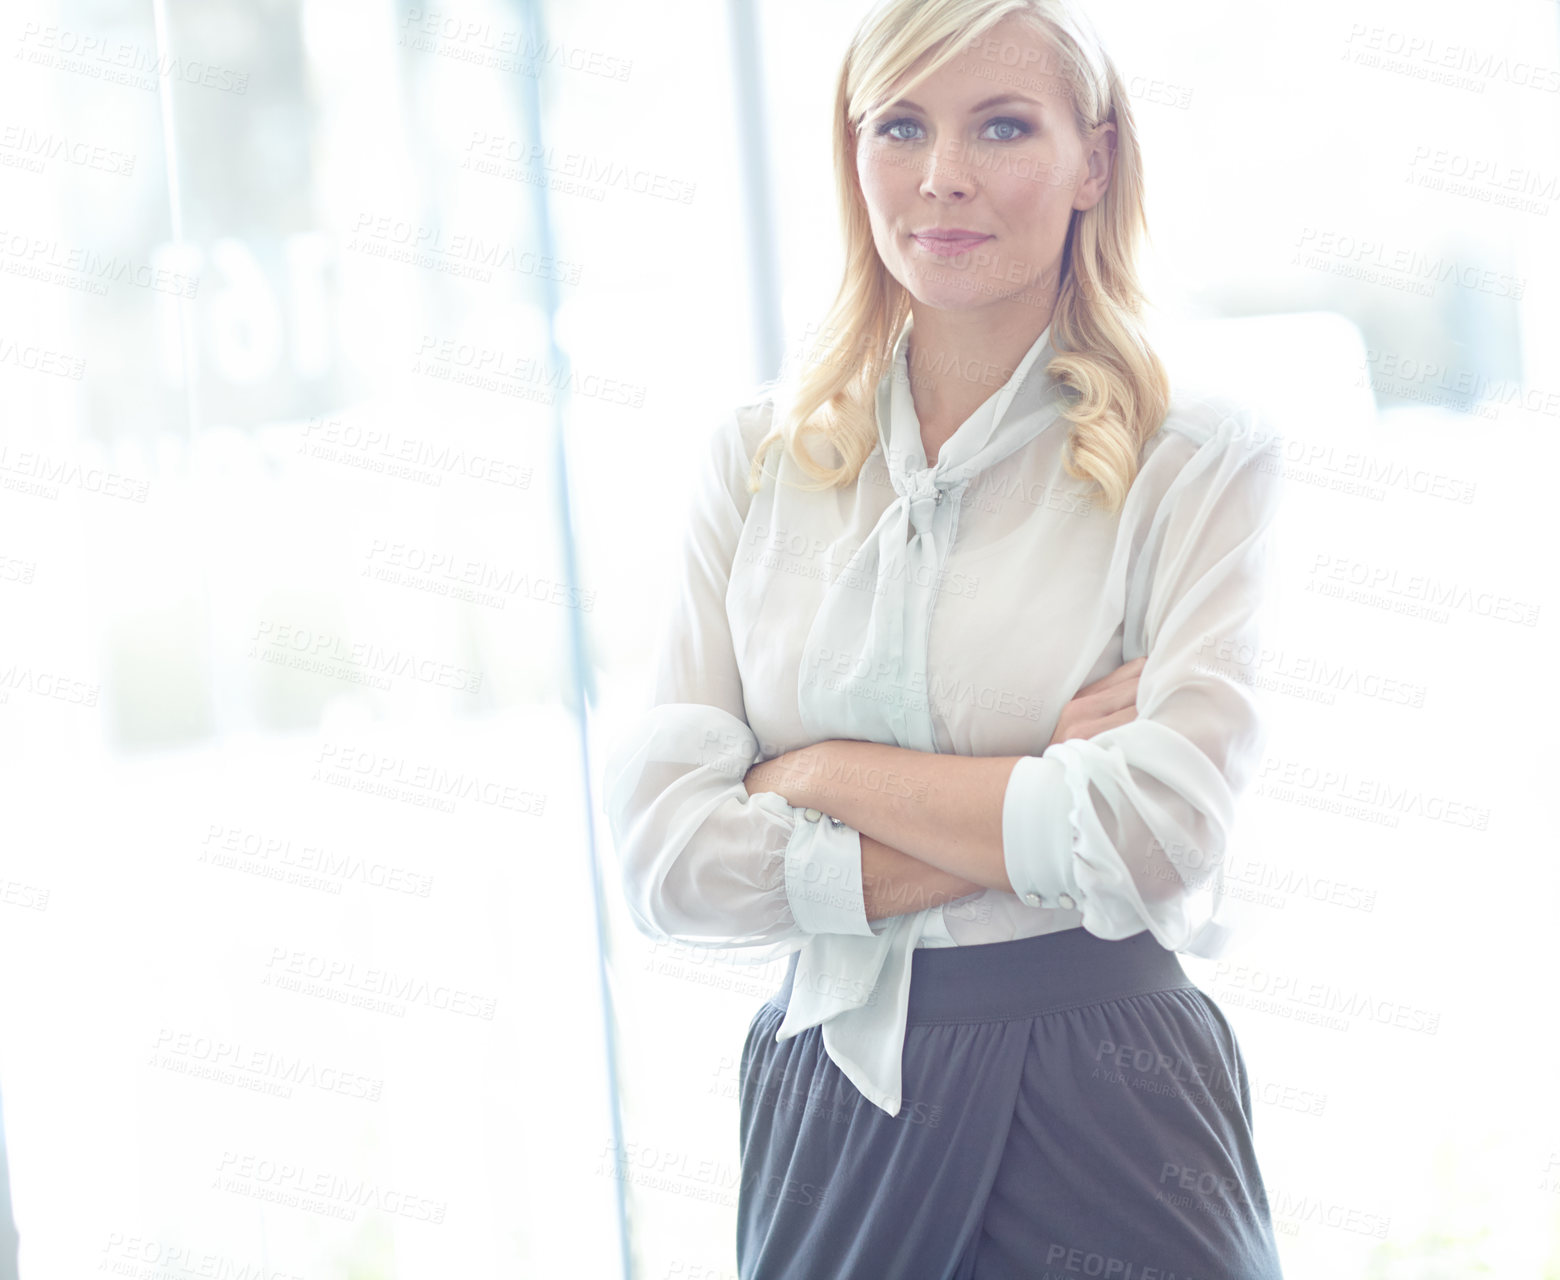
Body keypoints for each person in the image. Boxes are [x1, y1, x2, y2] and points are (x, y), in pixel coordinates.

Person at [602, 0, 1288, 1275]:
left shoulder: (1195, 460)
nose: (943, 176)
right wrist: (1038, 795)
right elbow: (667, 857)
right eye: (902, 125)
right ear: (852, 153)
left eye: (1004, 126)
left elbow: (1160, 831)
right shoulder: (755, 462)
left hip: (1114, 1098)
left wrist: (811, 778)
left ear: (1095, 159)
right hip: (833, 1101)